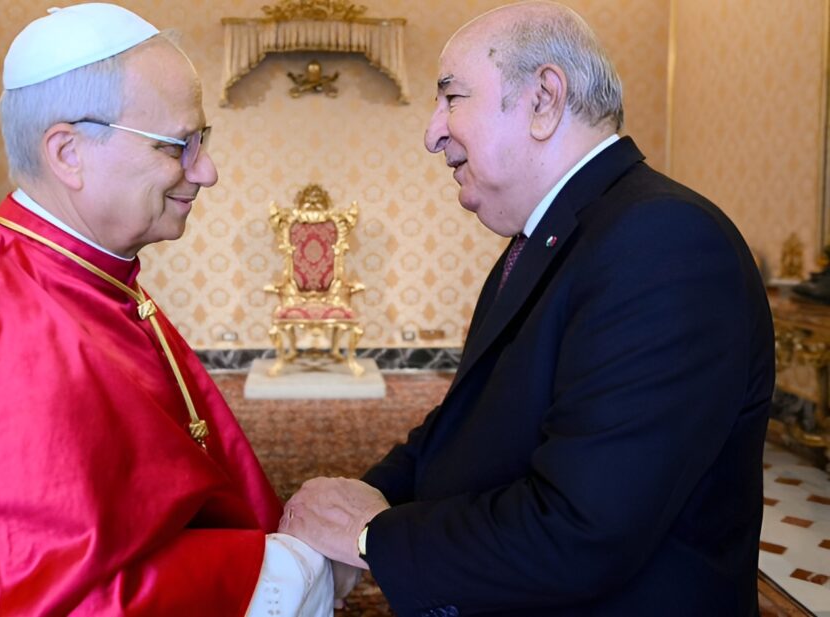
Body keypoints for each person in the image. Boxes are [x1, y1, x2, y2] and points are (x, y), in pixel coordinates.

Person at [0, 4, 332, 615]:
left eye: (203, 142)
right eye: (178, 146)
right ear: (68, 153)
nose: (205, 172)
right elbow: (54, 600)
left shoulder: (71, 273)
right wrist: (291, 567)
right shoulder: (3, 333)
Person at [280, 2, 774, 616]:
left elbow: (582, 531)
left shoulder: (664, 242)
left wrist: (369, 537)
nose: (431, 132)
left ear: (543, 99)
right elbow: (472, 422)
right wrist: (367, 492)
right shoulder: (553, 236)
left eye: (451, 98)